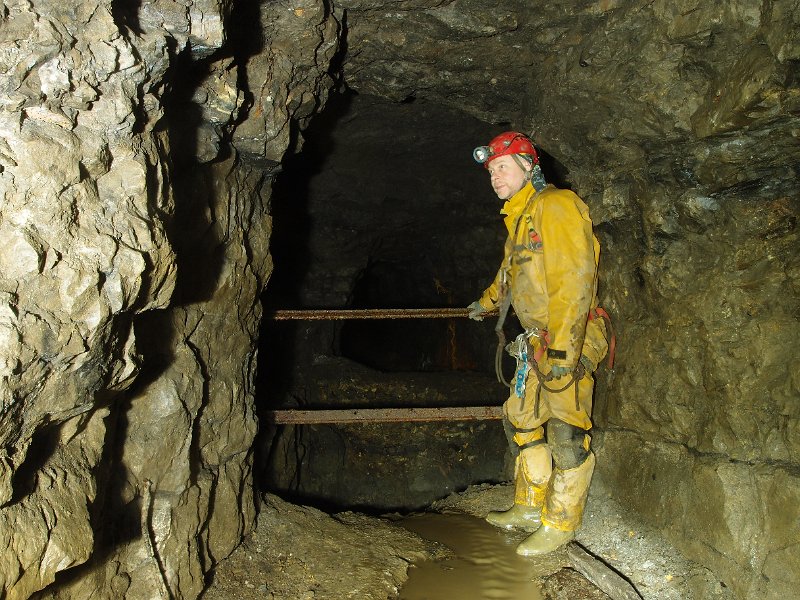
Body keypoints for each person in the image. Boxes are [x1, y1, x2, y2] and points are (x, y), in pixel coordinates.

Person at [467, 131, 611, 556]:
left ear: (530, 167)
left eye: (503, 167)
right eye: (492, 170)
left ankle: (560, 522)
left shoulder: (557, 206)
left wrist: (566, 351)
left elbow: (574, 280)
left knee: (566, 430)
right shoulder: (521, 216)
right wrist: (487, 301)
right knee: (521, 418)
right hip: (536, 342)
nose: (495, 176)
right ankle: (529, 507)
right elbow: (512, 271)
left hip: (570, 336)